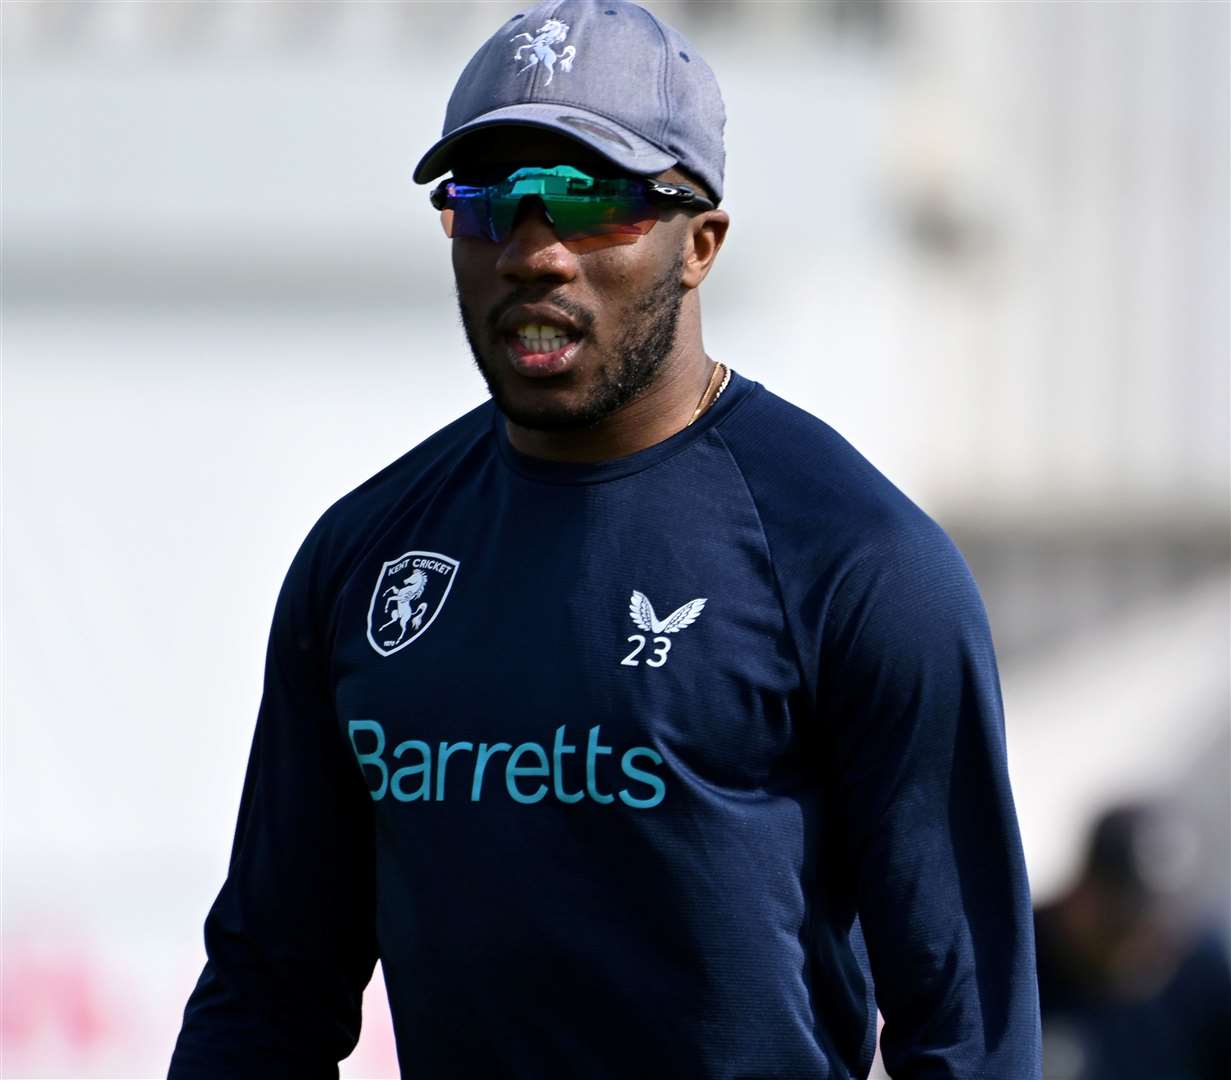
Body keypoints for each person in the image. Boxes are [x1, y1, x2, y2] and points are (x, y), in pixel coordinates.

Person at [168, 3, 1042, 1077]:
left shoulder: (861, 564)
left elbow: (970, 1035)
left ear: (700, 243)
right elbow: (266, 988)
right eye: (487, 203)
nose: (534, 253)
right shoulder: (363, 560)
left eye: (590, 200)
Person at [1034, 801, 1231, 1080]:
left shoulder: (1201, 966)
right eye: (1123, 924)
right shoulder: (1018, 963)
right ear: (1081, 894)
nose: (1143, 947)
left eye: (1159, 929)